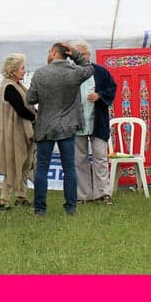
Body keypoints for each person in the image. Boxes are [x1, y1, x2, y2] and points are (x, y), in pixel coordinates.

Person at [27, 42, 93, 217]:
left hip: (46, 125)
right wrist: (76, 55)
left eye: (50, 51)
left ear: (55, 53)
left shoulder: (40, 73)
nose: (48, 54)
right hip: (68, 125)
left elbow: (30, 99)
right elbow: (89, 68)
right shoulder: (74, 72)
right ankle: (70, 207)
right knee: (69, 167)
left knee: (42, 168)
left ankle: (40, 208)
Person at [70, 40, 117, 204]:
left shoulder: (100, 71)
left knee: (100, 157)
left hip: (97, 121)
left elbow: (112, 88)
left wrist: (100, 96)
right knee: (79, 159)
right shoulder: (70, 72)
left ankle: (103, 192)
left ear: (89, 54)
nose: (80, 57)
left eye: (83, 54)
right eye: (77, 54)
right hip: (77, 122)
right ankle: (83, 194)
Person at [0, 52, 35, 210]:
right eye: (22, 68)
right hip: (13, 132)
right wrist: (36, 118)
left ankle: (21, 195)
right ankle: (4, 199)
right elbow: (21, 109)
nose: (24, 71)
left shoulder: (17, 85)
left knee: (25, 164)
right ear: (13, 70)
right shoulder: (9, 87)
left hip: (22, 130)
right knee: (12, 165)